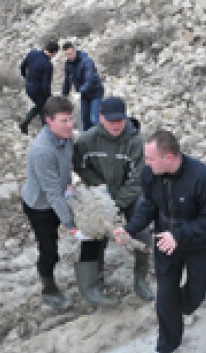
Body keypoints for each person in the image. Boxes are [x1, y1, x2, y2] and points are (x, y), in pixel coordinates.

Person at [113, 130, 206, 353]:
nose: (146, 163)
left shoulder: (203, 177)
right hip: (164, 242)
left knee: (194, 296)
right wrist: (129, 229)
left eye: (151, 158)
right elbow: (149, 206)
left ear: (169, 157)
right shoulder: (150, 174)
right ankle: (167, 345)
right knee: (166, 297)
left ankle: (180, 309)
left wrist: (179, 235)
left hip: (198, 245)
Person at [72, 97, 153, 305]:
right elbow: (81, 166)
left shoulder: (137, 142)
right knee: (94, 237)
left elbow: (138, 180)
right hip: (100, 195)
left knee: (142, 233)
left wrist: (114, 204)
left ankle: (140, 280)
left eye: (120, 120)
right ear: (100, 117)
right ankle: (93, 286)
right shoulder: (87, 140)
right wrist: (99, 190)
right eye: (111, 120)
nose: (116, 125)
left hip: (130, 195)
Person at [21, 96, 87, 310]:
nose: (70, 125)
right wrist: (70, 225)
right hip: (40, 206)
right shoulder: (41, 150)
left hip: (61, 195)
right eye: (64, 121)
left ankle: (92, 277)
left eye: (71, 119)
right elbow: (51, 194)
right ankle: (48, 289)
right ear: (49, 121)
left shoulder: (66, 136)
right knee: (49, 250)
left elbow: (70, 157)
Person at [19, 40, 59, 134]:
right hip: (38, 91)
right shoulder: (47, 65)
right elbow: (46, 85)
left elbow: (22, 67)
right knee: (44, 109)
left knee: (41, 107)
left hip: (28, 87)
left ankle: (27, 124)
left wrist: (27, 78)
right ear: (53, 52)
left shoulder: (32, 53)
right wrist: (49, 97)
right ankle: (45, 131)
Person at [61, 41, 104, 131]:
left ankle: (101, 138)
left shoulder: (86, 61)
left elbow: (90, 79)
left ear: (75, 50)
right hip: (84, 95)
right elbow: (67, 80)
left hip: (95, 92)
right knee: (85, 118)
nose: (69, 56)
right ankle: (87, 140)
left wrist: (80, 91)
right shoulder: (68, 64)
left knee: (94, 119)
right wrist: (64, 94)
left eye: (71, 53)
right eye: (67, 55)